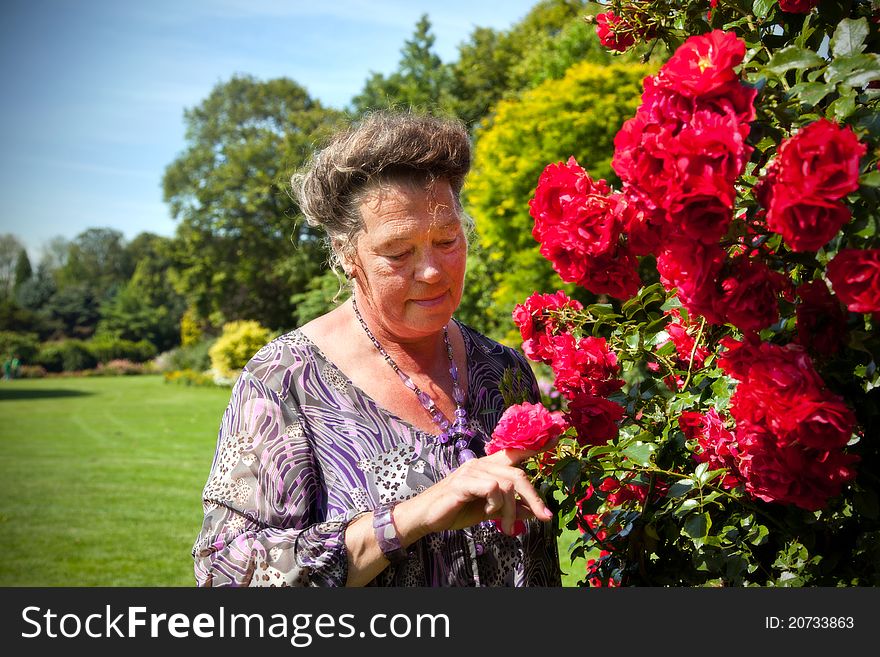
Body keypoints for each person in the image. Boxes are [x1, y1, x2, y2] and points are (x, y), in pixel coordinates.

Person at [192, 111, 562, 587]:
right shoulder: (284, 382)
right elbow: (225, 575)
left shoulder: (503, 369)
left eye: (447, 240)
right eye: (398, 252)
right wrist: (409, 518)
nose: (431, 271)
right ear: (347, 254)